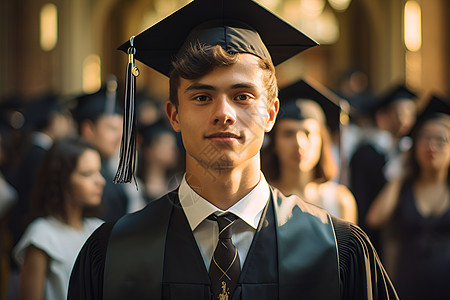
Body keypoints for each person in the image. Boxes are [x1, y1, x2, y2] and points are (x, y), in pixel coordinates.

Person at [68, 0, 398, 299]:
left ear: (270, 114)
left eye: (242, 96)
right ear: (174, 115)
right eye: (202, 97)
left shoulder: (338, 249)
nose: (224, 113)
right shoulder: (114, 251)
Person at [366, 95, 450, 300]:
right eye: (425, 138)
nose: (432, 145)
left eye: (441, 139)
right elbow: (375, 219)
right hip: (406, 286)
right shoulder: (403, 187)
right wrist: (398, 174)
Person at [13, 138, 105, 300]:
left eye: (99, 172)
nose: (100, 181)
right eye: (87, 174)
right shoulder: (42, 236)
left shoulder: (98, 229)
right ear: (62, 179)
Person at [262, 79, 358, 223]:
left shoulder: (340, 201)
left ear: (321, 141)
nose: (299, 143)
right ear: (274, 142)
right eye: (288, 134)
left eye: (308, 133)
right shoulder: (261, 199)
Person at [349, 84, 418, 251]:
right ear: (383, 117)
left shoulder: (414, 153)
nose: (405, 120)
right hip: (374, 238)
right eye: (400, 113)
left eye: (411, 113)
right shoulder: (366, 154)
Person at [71, 78, 144, 221]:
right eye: (112, 128)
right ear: (88, 129)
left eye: (121, 130)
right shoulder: (71, 166)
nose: (119, 137)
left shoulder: (112, 168)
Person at [137, 119, 182, 204]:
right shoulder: (134, 189)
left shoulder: (178, 188)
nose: (174, 151)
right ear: (148, 151)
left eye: (173, 147)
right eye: (166, 145)